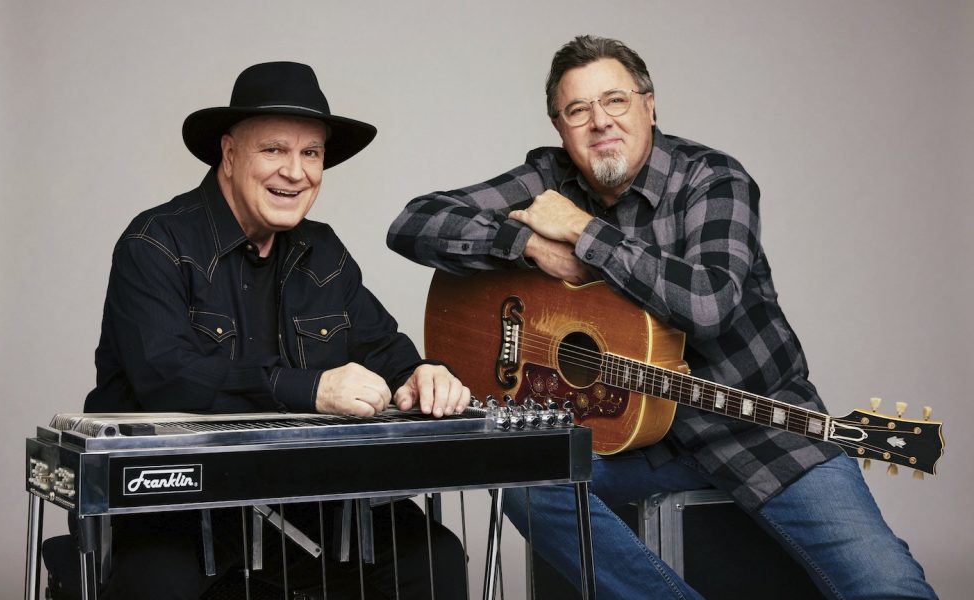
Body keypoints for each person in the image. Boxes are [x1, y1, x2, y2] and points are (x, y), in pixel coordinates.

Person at [387, 35, 937, 599]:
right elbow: (414, 221)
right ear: (560, 128)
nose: (599, 121)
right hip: (632, 441)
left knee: (888, 587)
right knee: (523, 471)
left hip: (762, 430)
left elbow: (707, 304)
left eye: (616, 101)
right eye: (578, 110)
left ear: (649, 105)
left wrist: (581, 232)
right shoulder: (549, 178)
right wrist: (532, 246)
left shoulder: (712, 180)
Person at [82, 61, 470, 599]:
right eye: (274, 150)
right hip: (173, 509)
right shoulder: (153, 244)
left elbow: (385, 349)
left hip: (305, 504)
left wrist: (428, 374)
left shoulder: (325, 251)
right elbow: (167, 378)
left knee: (432, 558)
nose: (296, 171)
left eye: (311, 153)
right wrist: (310, 390)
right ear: (230, 153)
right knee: (159, 587)